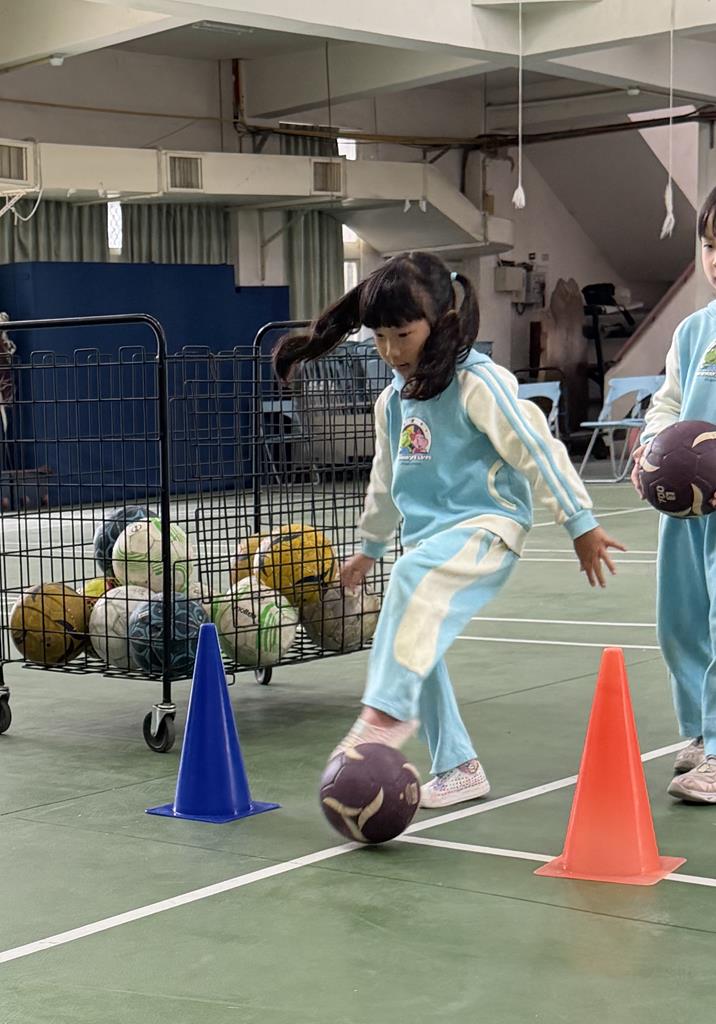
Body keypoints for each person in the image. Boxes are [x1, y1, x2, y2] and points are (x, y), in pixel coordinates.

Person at [275, 251, 624, 808]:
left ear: (439, 323)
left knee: (411, 582)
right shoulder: (393, 401)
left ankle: (384, 715)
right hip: (429, 541)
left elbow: (535, 448)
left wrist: (579, 522)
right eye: (379, 337)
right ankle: (458, 766)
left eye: (403, 335)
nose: (391, 351)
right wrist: (369, 547)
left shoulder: (477, 383)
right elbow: (385, 480)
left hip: (487, 526)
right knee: (416, 642)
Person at [631, 185, 716, 803]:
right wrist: (652, 448)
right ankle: (701, 730)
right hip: (686, 512)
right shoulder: (693, 331)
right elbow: (667, 403)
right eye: (710, 246)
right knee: (680, 624)